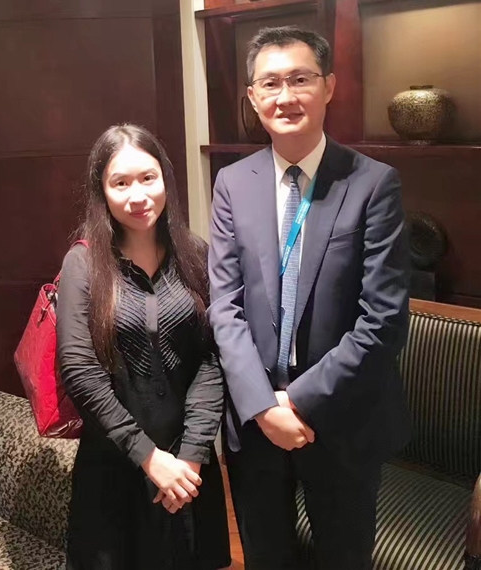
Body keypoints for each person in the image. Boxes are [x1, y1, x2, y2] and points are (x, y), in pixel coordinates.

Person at [208, 26, 411, 570]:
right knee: (265, 556)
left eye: (301, 79)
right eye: (270, 83)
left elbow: (383, 321)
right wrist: (262, 406)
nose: (286, 96)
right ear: (253, 97)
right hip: (254, 422)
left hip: (342, 418)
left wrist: (295, 402)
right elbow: (224, 307)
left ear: (329, 87)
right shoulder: (232, 183)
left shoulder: (373, 184)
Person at [56, 123, 231, 570]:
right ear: (102, 191)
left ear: (165, 179)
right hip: (115, 463)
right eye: (120, 183)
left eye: (148, 178)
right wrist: (149, 458)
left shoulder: (195, 254)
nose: (138, 195)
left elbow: (212, 358)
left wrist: (191, 457)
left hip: (187, 466)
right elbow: (78, 368)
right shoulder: (83, 263)